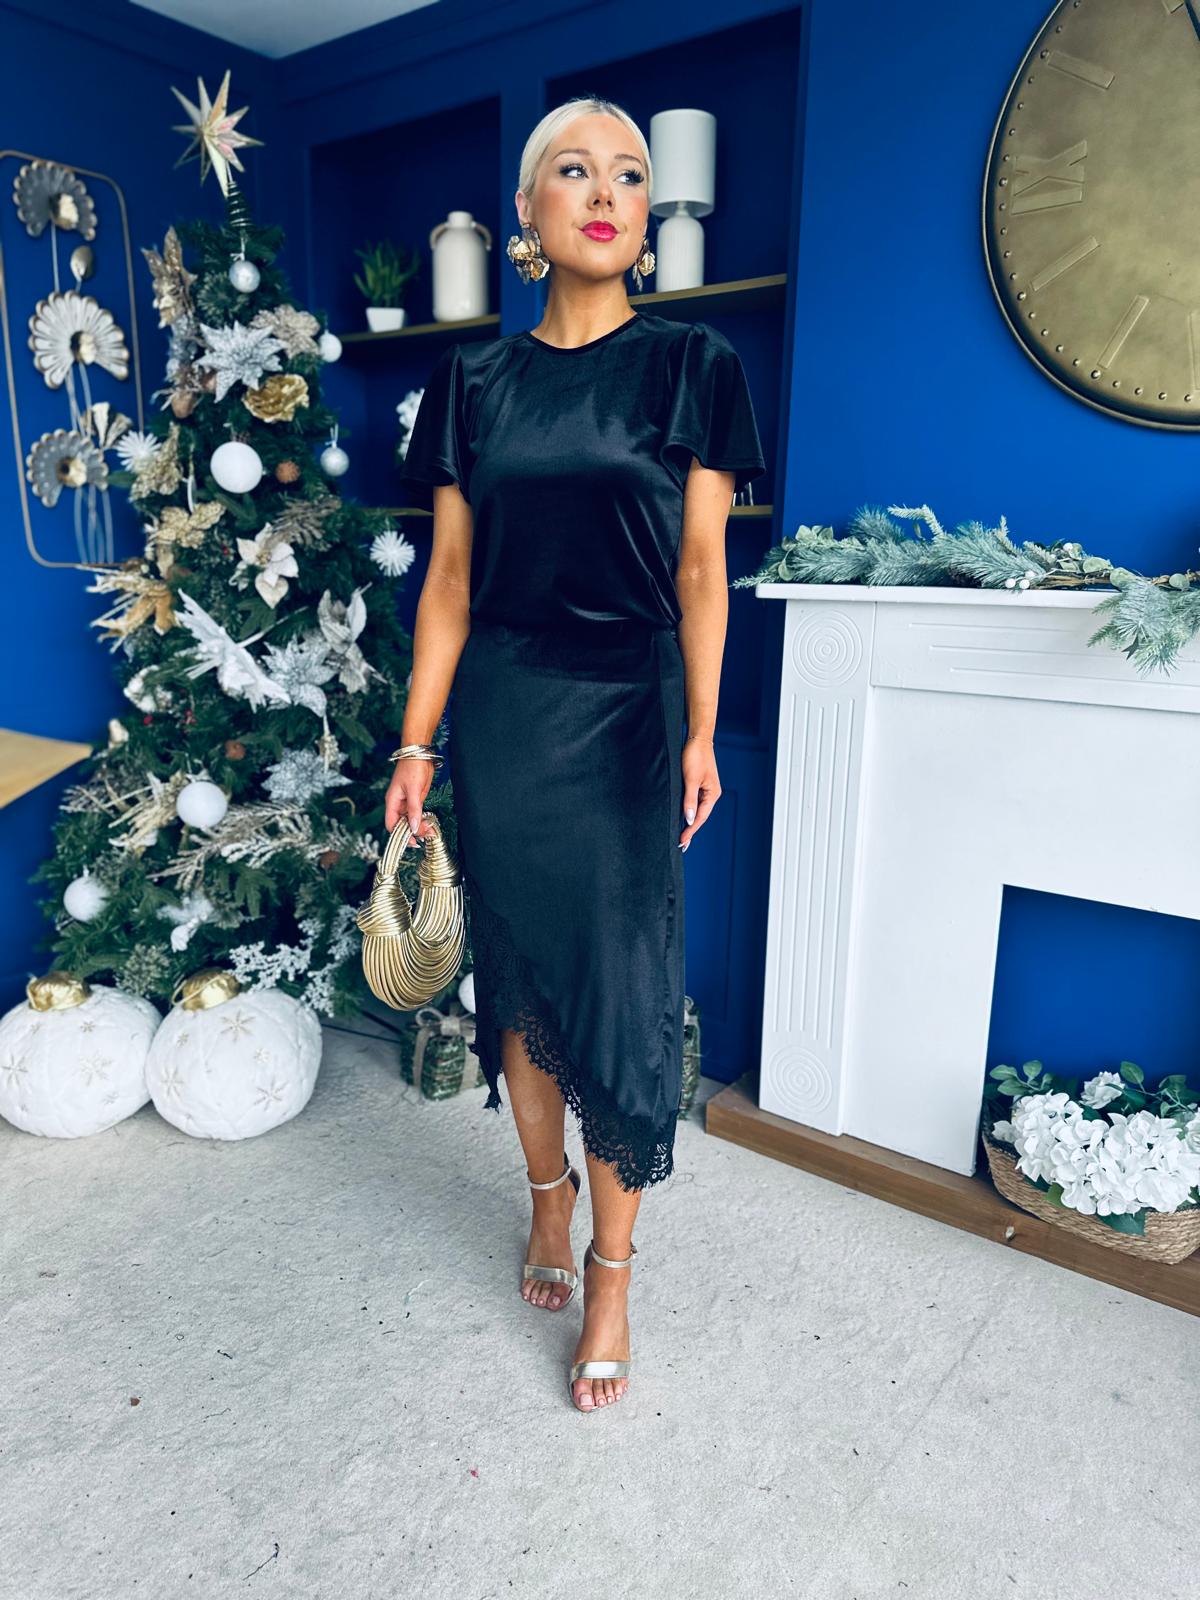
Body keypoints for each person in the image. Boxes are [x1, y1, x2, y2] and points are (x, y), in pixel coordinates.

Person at [389, 95, 765, 1414]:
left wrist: (703, 724)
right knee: (523, 987)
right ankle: (545, 1197)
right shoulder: (475, 383)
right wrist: (418, 739)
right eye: (574, 170)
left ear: (645, 217)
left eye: (629, 175)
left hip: (626, 711)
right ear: (528, 213)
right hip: (504, 709)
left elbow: (704, 569)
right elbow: (448, 582)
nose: (606, 193)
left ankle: (613, 1269)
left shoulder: (692, 364)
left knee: (618, 989)